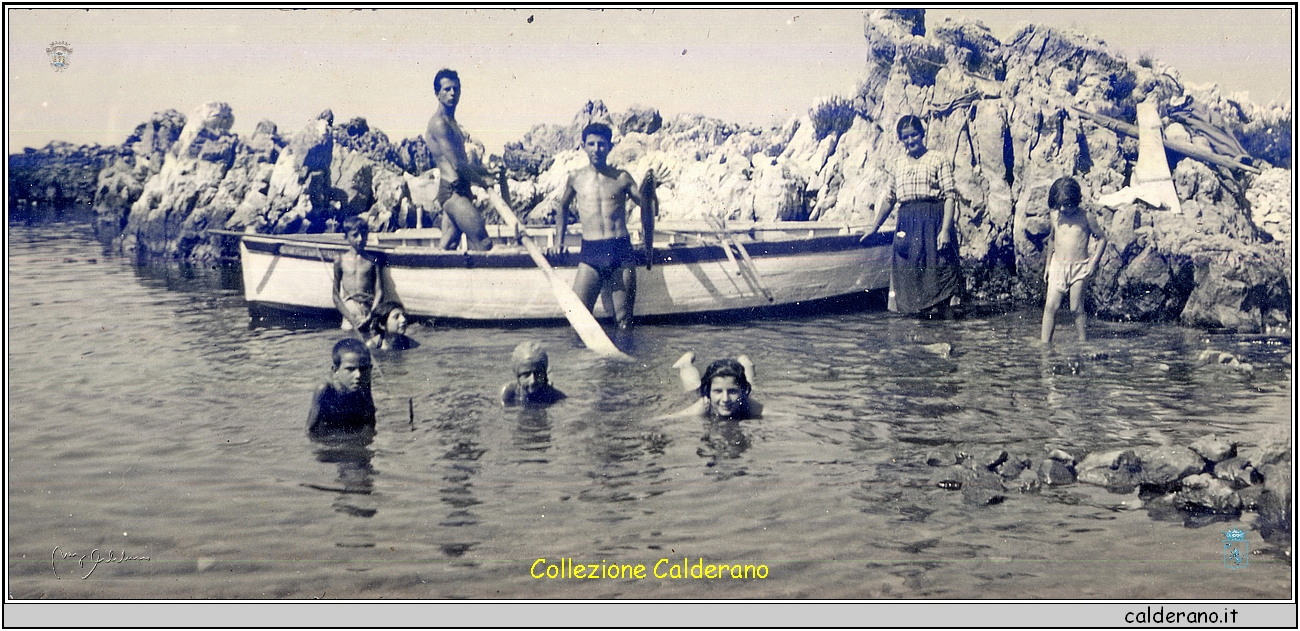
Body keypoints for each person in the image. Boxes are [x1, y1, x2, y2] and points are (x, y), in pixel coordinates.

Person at [861, 115, 962, 317]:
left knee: (939, 272)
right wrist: (874, 228)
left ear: (922, 134)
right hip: (907, 223)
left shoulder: (937, 158)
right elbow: (890, 198)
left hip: (933, 221)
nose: (910, 141)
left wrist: (945, 231)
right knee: (910, 276)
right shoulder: (897, 164)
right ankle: (914, 335)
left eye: (914, 135)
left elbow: (950, 196)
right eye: (905, 137)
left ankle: (945, 330)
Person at [555, 122, 650, 330]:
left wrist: (651, 189)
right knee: (577, 317)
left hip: (620, 251)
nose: (596, 149)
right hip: (591, 252)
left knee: (624, 320)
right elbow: (561, 207)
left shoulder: (622, 177)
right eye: (591, 144)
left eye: (601, 144)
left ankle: (625, 361)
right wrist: (558, 241)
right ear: (584, 146)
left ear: (609, 146)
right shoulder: (575, 178)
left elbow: (647, 205)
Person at [425, 68, 497, 251]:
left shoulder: (453, 123)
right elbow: (457, 166)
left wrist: (487, 171)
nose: (452, 93)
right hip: (453, 192)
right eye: (447, 89)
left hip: (461, 190)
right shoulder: (439, 123)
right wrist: (482, 181)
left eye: (456, 89)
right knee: (483, 243)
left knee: (447, 246)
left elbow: (462, 162)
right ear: (437, 94)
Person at [1041, 177, 1108, 344]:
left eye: (1068, 205)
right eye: (1059, 205)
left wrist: (1093, 263)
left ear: (1076, 201)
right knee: (1050, 307)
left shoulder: (1086, 217)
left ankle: (1082, 342)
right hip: (1057, 265)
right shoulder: (1055, 215)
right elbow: (1051, 240)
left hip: (1080, 267)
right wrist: (1048, 265)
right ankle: (1044, 345)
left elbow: (1102, 239)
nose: (1063, 209)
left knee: (1075, 308)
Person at [308, 338, 376, 437]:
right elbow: (310, 430)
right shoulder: (325, 390)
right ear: (335, 370)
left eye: (364, 368)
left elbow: (371, 424)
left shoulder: (364, 385)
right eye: (350, 369)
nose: (358, 375)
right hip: (328, 440)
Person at [333, 216, 383, 345]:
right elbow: (335, 296)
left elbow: (379, 292)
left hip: (368, 310)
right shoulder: (340, 260)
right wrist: (351, 319)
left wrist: (370, 316)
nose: (360, 239)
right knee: (350, 346)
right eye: (355, 235)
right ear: (346, 237)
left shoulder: (373, 261)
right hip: (349, 312)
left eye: (364, 234)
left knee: (371, 346)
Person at [667, 352, 762, 420]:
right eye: (718, 391)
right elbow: (668, 418)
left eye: (732, 392)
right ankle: (685, 363)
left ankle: (745, 363)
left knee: (750, 384)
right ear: (708, 392)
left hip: (743, 394)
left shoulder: (748, 404)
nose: (725, 399)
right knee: (692, 385)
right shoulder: (703, 406)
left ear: (742, 392)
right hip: (702, 392)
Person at [501, 341, 566, 407]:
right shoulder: (508, 394)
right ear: (517, 376)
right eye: (526, 374)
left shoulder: (556, 397)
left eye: (538, 374)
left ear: (545, 374)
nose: (533, 381)